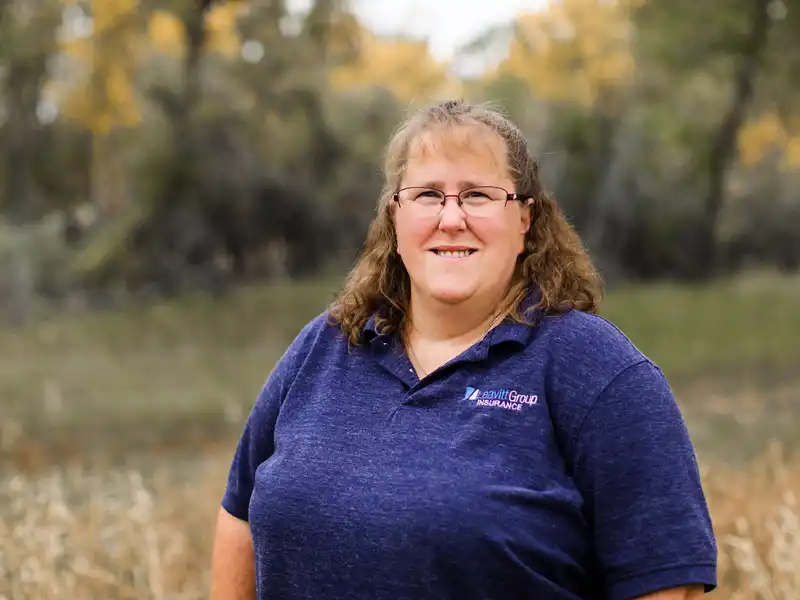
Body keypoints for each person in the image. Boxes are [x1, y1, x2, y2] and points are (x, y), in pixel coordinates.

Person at [210, 100, 717, 600]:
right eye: (428, 195)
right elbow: (239, 518)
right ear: (396, 217)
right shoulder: (325, 346)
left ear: (524, 219)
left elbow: (668, 581)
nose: (451, 218)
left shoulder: (598, 372)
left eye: (476, 195)